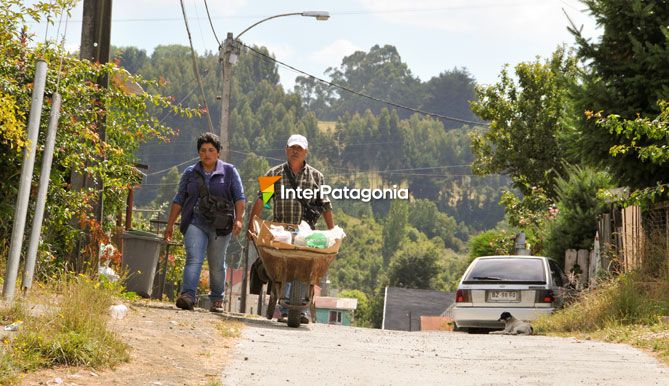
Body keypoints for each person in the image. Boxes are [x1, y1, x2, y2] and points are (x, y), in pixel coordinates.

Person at [247, 134, 334, 323]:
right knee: (281, 267)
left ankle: (299, 310)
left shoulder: (317, 177)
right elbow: (262, 200)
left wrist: (332, 232)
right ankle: (286, 308)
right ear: (286, 150)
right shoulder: (272, 174)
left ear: (306, 152)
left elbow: (326, 205)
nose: (295, 151)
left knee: (304, 267)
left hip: (306, 233)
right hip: (280, 231)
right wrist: (251, 226)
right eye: (292, 148)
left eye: (299, 149)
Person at [164, 132, 245, 312]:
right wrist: (170, 224)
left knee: (216, 264)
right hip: (195, 221)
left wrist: (239, 220)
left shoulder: (230, 171)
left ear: (218, 152)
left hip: (220, 225)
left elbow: (239, 198)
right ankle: (188, 295)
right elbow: (179, 199)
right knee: (194, 259)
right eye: (203, 150)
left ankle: (217, 299)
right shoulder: (190, 173)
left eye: (211, 150)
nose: (206, 154)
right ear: (198, 153)